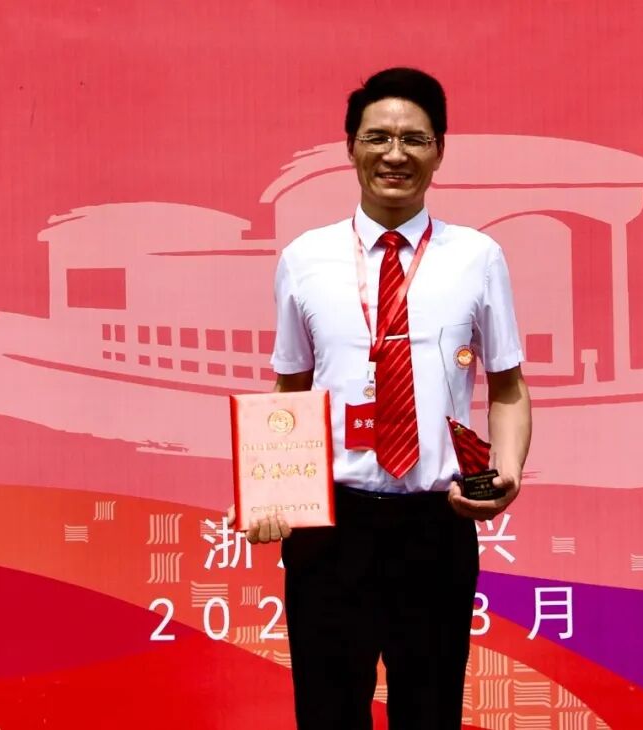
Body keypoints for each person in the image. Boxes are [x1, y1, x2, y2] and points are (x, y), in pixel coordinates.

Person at [228, 67, 532, 729]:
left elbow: (507, 386)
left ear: (439, 151)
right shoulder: (304, 258)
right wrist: (269, 492)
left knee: (430, 712)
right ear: (350, 148)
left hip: (436, 523)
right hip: (331, 530)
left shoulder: (478, 257)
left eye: (414, 139)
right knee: (329, 714)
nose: (396, 154)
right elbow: (291, 387)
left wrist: (506, 473)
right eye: (378, 138)